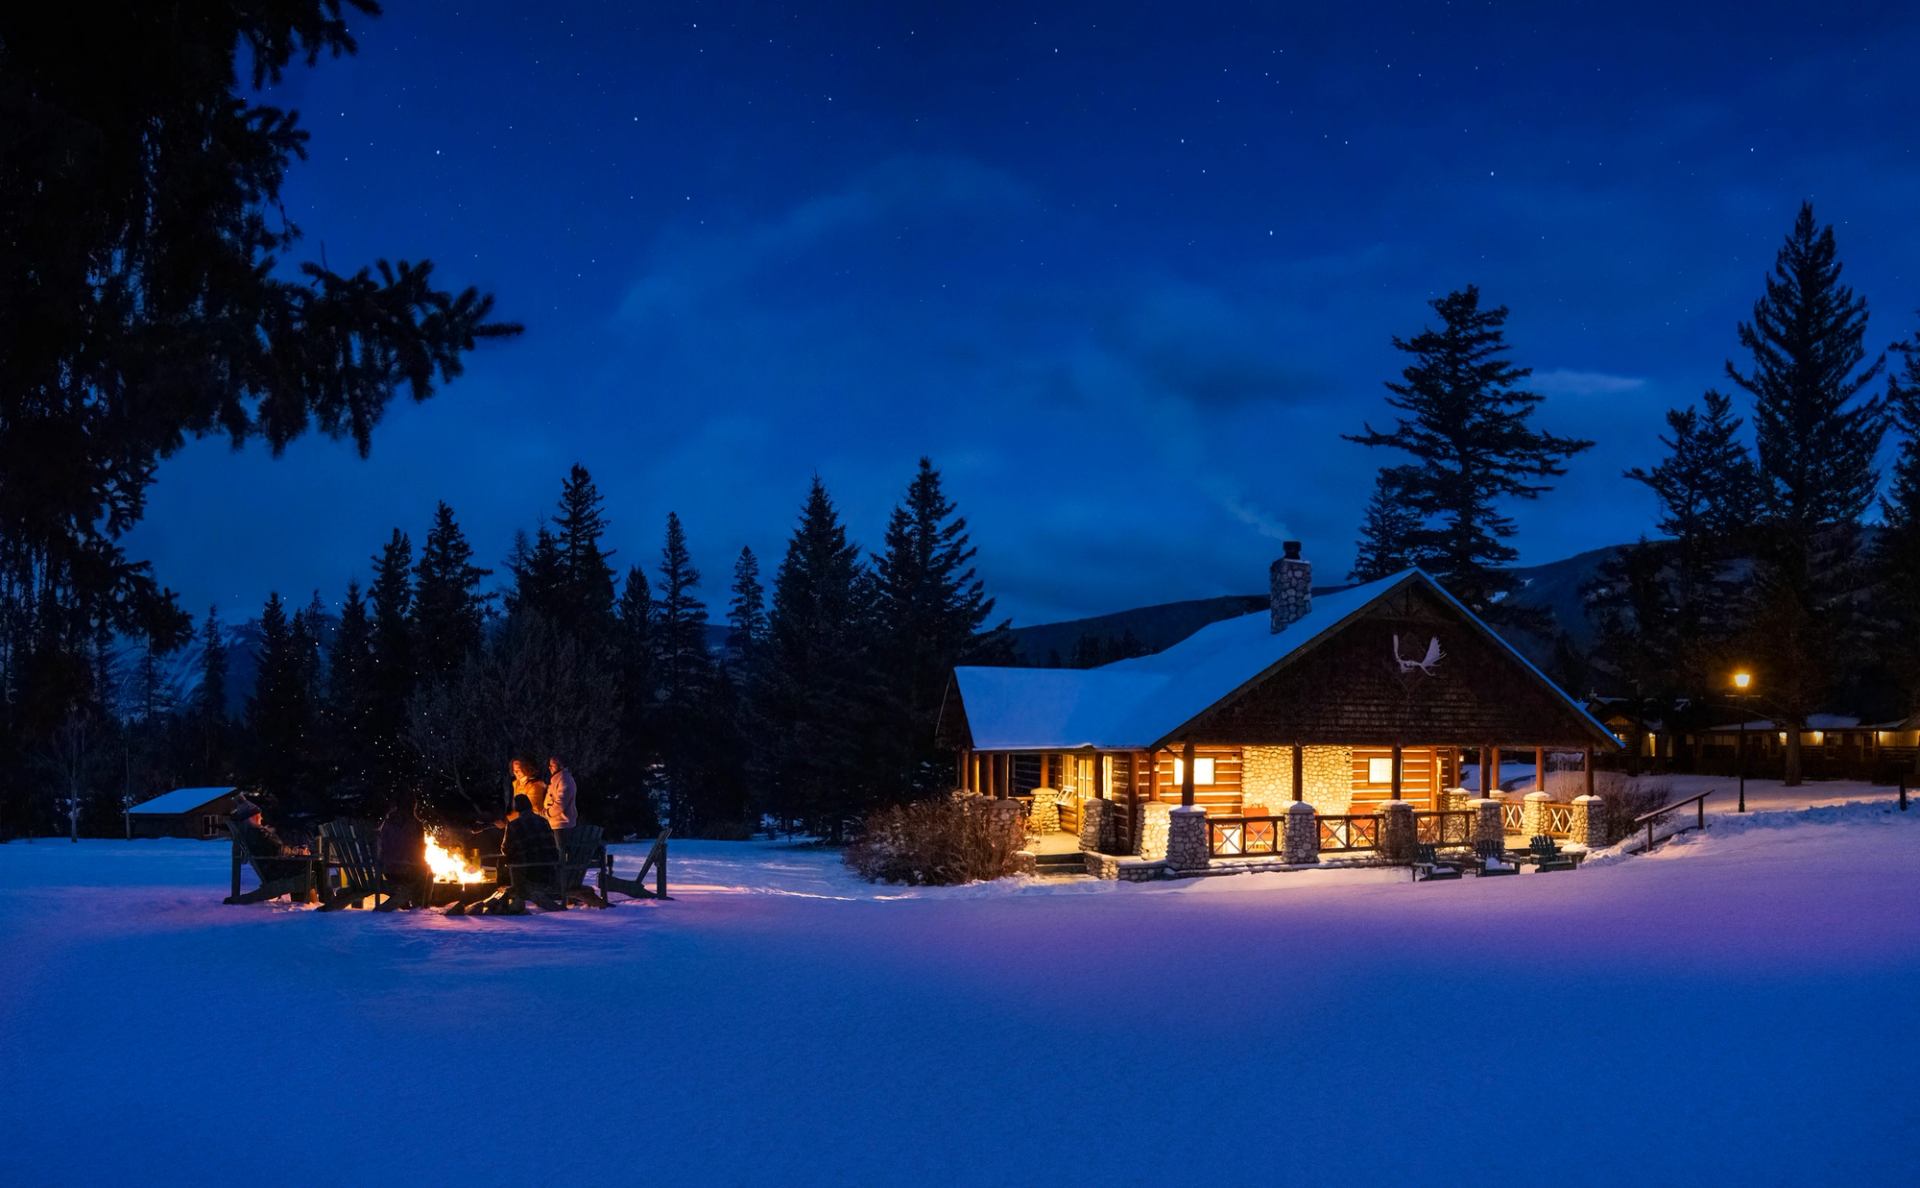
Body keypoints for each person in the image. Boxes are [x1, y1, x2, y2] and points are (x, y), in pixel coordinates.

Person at [230, 800, 318, 903]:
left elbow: (275, 848)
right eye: (259, 815)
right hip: (277, 871)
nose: (261, 818)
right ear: (252, 817)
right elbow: (279, 850)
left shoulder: (253, 833)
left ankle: (303, 900)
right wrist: (298, 851)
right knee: (316, 865)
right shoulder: (259, 833)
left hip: (274, 867)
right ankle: (325, 901)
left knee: (309, 864)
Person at [377, 792, 432, 907]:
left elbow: (383, 846)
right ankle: (419, 906)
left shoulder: (387, 823)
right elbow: (419, 852)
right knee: (428, 871)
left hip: (388, 872)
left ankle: (404, 902)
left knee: (417, 870)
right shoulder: (416, 824)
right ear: (413, 806)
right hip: (407, 872)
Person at [545, 754, 577, 836]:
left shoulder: (563, 779)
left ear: (561, 765)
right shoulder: (558, 779)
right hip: (557, 823)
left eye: (552, 765)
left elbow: (560, 804)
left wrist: (547, 813)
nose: (549, 767)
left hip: (561, 823)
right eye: (549, 765)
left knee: (561, 848)